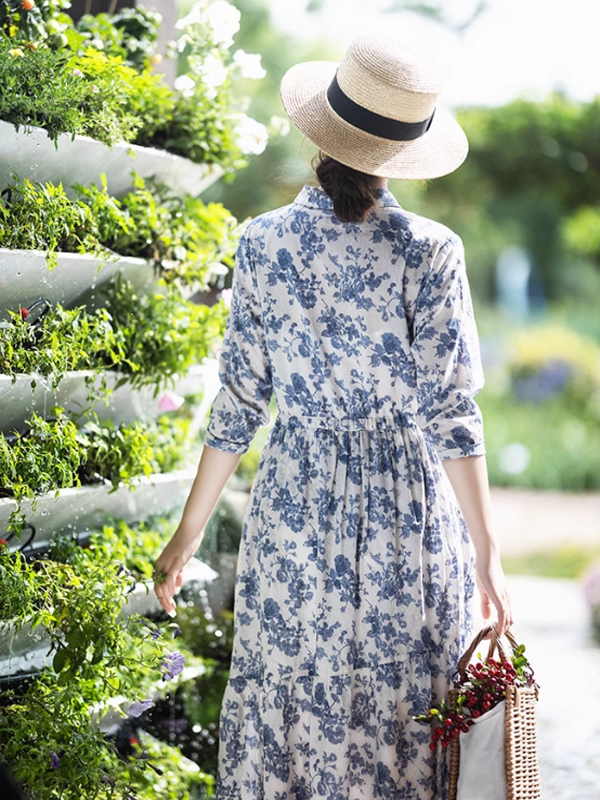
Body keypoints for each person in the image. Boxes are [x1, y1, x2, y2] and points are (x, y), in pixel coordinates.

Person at [154, 33, 512, 800]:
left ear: (322, 133)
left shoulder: (260, 245)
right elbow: (453, 412)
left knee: (292, 699)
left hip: (294, 513)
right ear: (402, 151)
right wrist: (488, 552)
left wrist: (185, 536)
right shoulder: (431, 251)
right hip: (407, 520)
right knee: (401, 713)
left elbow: (239, 404)